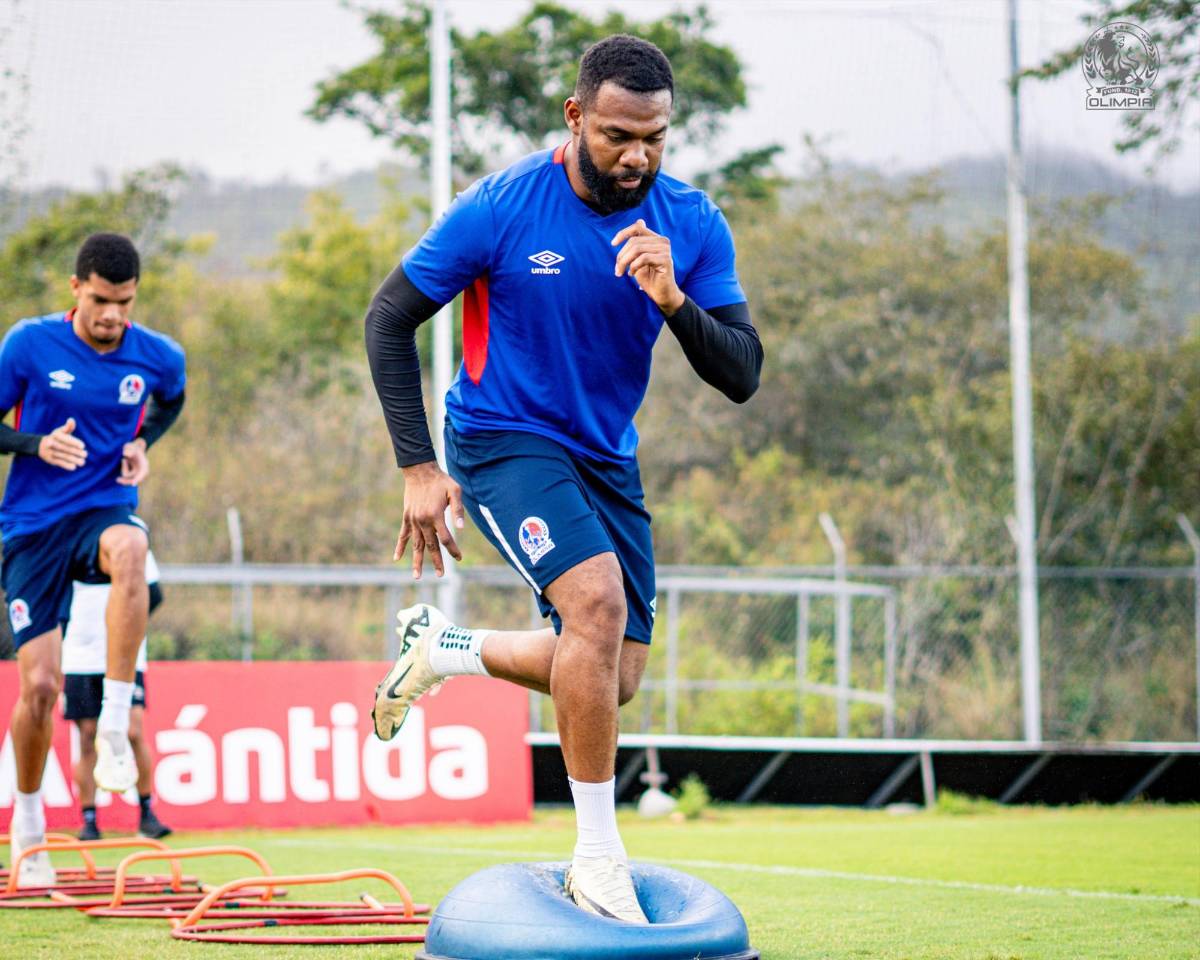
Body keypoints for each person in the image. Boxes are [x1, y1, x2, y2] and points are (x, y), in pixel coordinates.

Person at [365, 35, 761, 923]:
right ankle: (597, 857)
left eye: (656, 137)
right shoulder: (501, 207)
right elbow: (389, 319)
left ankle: (441, 653)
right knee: (595, 609)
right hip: (501, 440)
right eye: (620, 134)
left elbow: (743, 372)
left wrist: (672, 301)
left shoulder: (691, 222)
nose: (639, 155)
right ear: (576, 116)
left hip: (605, 456)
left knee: (609, 679)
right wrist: (419, 466)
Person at [0, 233, 185, 887]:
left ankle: (112, 719)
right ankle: (27, 825)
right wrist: (32, 443)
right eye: (102, 301)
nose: (113, 316)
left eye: (125, 303)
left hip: (104, 507)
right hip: (32, 526)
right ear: (76, 288)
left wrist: (144, 443)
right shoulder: (28, 343)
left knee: (133, 546)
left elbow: (172, 399)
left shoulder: (157, 356)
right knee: (41, 687)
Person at [62, 551, 172, 841]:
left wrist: (127, 621)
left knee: (133, 731)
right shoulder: (68, 540)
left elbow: (154, 593)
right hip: (80, 657)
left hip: (127, 654)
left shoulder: (130, 540)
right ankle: (89, 820)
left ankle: (147, 813)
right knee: (87, 737)